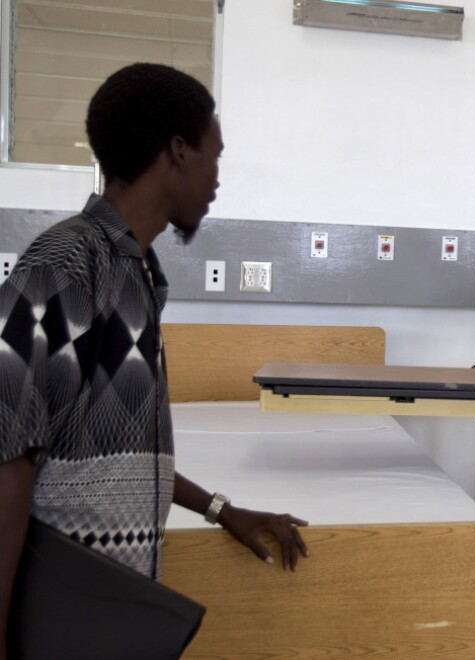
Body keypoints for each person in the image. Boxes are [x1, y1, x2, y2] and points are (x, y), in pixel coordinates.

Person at [0, 63, 309, 654]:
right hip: (65, 612)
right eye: (215, 157)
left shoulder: (137, 272)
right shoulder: (66, 264)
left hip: (113, 612)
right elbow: (9, 457)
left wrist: (222, 510)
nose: (218, 179)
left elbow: (123, 449)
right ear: (177, 152)